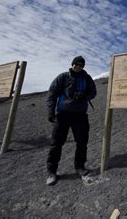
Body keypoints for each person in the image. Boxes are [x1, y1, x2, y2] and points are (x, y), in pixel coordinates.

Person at [45, 56, 96, 186]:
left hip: (80, 115)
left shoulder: (87, 78)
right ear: (72, 64)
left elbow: (93, 92)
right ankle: (52, 172)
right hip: (63, 115)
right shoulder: (63, 77)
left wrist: (85, 96)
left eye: (80, 65)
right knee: (56, 143)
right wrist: (51, 111)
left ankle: (79, 167)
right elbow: (52, 93)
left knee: (82, 141)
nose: (78, 67)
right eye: (76, 64)